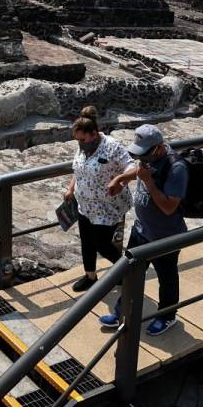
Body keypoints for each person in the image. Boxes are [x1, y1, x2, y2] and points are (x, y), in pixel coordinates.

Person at [100, 124, 188, 336]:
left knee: (166, 278)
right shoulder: (148, 158)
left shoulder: (177, 169)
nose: (142, 159)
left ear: (158, 148)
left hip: (165, 237)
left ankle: (167, 316)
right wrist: (121, 179)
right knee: (130, 274)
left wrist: (148, 181)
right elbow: (138, 171)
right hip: (141, 230)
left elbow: (169, 207)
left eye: (145, 153)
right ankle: (122, 311)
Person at [64, 106, 133, 292]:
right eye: (77, 140)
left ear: (94, 134)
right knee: (86, 241)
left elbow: (132, 168)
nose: (80, 143)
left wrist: (119, 180)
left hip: (106, 207)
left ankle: (127, 269)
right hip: (85, 205)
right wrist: (71, 189)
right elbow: (78, 170)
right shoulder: (82, 148)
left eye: (83, 139)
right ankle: (90, 276)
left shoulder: (112, 147)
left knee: (102, 244)